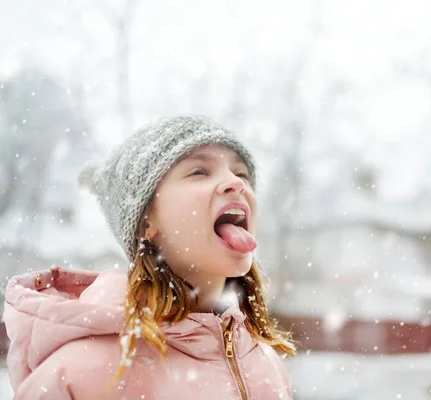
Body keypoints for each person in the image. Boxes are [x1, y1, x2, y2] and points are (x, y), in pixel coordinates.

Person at [3, 115, 296, 399]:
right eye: (199, 171)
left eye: (241, 174)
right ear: (145, 223)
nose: (236, 183)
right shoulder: (80, 376)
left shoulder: (265, 362)